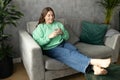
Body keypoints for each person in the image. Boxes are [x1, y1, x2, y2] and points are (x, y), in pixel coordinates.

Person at [32, 7, 111, 75]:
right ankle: (95, 61)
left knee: (75, 50)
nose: (51, 17)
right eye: (48, 15)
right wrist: (49, 37)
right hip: (50, 48)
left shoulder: (58, 24)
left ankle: (94, 68)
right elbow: (39, 43)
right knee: (68, 53)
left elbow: (66, 37)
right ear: (44, 16)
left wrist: (62, 33)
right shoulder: (40, 27)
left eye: (52, 15)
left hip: (62, 43)